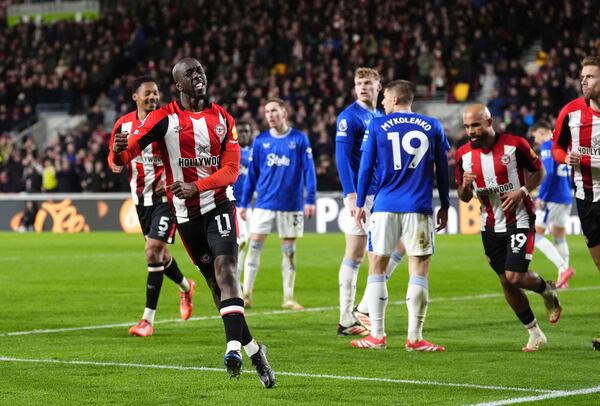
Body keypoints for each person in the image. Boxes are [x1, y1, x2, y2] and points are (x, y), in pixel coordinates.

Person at [110, 58, 275, 388]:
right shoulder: (163, 118)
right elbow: (125, 157)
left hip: (219, 205)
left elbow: (230, 170)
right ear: (179, 85)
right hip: (186, 218)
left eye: (200, 71)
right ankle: (255, 350)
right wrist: (117, 153)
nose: (198, 76)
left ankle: (232, 350)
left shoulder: (223, 119)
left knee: (226, 269)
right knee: (215, 289)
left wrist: (195, 186)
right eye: (190, 74)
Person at [351, 80, 449, 351]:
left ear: (394, 99)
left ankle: (377, 336)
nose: (381, 103)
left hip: (384, 206)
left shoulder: (377, 125)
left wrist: (360, 202)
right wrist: (446, 205)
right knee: (419, 270)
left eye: (384, 98)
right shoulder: (433, 126)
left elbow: (366, 168)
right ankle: (415, 338)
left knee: (377, 269)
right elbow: (442, 168)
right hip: (418, 207)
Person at [457, 103, 562, 352]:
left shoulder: (515, 145)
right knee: (506, 281)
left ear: (489, 122)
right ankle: (535, 333)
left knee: (516, 275)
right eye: (466, 126)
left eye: (475, 125)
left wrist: (522, 191)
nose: (470, 131)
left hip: (520, 219)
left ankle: (546, 290)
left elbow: (540, 172)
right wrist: (465, 186)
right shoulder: (463, 155)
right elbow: (463, 196)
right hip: (490, 223)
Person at [107, 75, 195, 337]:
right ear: (135, 96)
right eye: (147, 93)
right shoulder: (123, 125)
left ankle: (147, 320)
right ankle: (185, 287)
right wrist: (115, 154)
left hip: (167, 198)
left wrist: (176, 180)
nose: (153, 97)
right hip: (140, 200)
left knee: (153, 249)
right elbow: (114, 164)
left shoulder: (170, 122)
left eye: (156, 93)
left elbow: (188, 156)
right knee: (161, 255)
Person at [334, 67, 405, 337]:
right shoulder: (349, 117)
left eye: (368, 82)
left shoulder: (380, 116)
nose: (362, 87)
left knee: (395, 245)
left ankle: (360, 309)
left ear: (379, 87)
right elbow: (342, 158)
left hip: (383, 193)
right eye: (358, 83)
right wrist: (352, 195)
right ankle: (347, 318)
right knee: (356, 253)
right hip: (362, 196)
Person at [239, 98, 317, 311]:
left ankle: (288, 298)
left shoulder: (299, 139)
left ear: (284, 112)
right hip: (264, 203)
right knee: (254, 248)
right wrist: (244, 203)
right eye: (267, 112)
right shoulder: (261, 141)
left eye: (274, 111)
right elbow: (252, 175)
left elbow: (309, 171)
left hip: (291, 204)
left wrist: (310, 199)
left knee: (289, 251)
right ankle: (245, 295)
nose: (270, 115)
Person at [551, 56, 600, 350]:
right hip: (585, 197)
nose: (584, 81)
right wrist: (564, 158)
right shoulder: (570, 112)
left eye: (591, 76)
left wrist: (581, 159)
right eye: (582, 76)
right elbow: (557, 147)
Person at [530, 120, 575, 288]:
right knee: (559, 237)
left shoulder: (548, 146)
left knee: (535, 236)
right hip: (566, 197)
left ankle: (563, 269)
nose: (536, 142)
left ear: (542, 133)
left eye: (536, 137)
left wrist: (541, 196)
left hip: (552, 198)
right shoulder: (564, 146)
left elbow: (548, 173)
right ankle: (563, 282)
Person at [232, 121, 254, 276]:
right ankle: (228, 270)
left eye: (247, 131)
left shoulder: (254, 152)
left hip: (247, 205)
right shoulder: (232, 152)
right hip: (233, 204)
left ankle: (236, 278)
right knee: (243, 239)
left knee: (249, 244)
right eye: (241, 131)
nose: (244, 134)